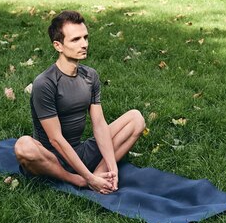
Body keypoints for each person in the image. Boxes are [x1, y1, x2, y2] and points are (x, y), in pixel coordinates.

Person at [14, 10, 145, 194]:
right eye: (75, 40)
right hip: (51, 159)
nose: (84, 44)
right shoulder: (45, 83)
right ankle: (80, 180)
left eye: (85, 37)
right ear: (58, 45)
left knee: (136, 118)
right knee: (24, 145)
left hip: (79, 152)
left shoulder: (90, 76)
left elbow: (99, 124)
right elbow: (56, 139)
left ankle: (102, 175)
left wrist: (112, 166)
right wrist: (86, 178)